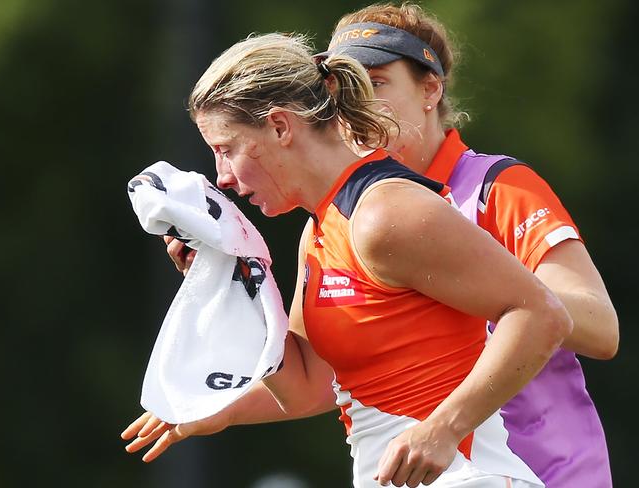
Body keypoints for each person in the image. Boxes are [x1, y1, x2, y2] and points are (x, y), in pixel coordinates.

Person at [122, 31, 574, 487]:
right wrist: (233, 283)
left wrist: (445, 427)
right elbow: (304, 386)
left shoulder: (383, 213)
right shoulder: (319, 229)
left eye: (226, 149)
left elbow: (541, 312)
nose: (223, 178)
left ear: (280, 127)